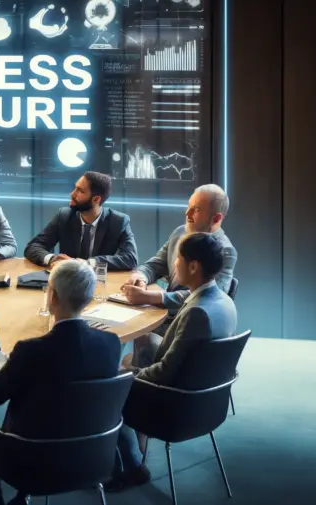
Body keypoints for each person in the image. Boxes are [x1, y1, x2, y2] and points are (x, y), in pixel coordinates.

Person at [0, 260, 121, 505]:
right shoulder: (110, 344)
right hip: (92, 458)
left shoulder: (30, 351)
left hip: (30, 462)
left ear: (52, 295)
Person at [106, 232, 237, 493]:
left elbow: (164, 372)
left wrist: (128, 376)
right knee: (129, 363)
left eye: (178, 259)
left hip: (175, 408)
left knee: (107, 389)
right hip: (206, 402)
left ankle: (132, 468)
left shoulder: (197, 312)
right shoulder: (224, 301)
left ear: (193, 266)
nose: (174, 266)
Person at [120, 184, 237, 315]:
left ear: (216, 218)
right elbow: (154, 265)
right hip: (158, 313)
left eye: (196, 209)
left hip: (185, 321)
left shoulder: (226, 252)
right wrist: (140, 278)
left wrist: (149, 297)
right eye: (189, 206)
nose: (187, 213)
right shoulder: (180, 232)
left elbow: (206, 297)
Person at [23, 171, 138, 270]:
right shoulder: (63, 216)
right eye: (75, 188)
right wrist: (53, 259)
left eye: (80, 191)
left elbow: (130, 258)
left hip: (100, 283)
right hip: (67, 282)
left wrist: (88, 263)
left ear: (96, 199)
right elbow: (33, 247)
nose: (72, 194)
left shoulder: (118, 221)